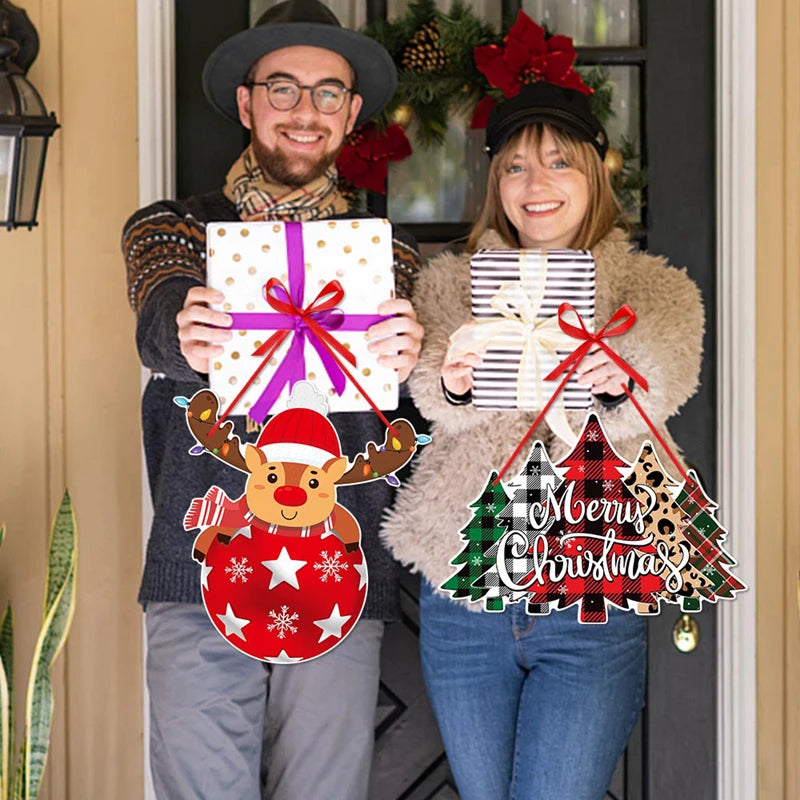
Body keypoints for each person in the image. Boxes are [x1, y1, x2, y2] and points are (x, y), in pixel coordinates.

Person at [121, 2, 423, 798]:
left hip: (340, 571)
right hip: (199, 562)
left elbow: (416, 402)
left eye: (328, 93)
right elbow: (160, 315)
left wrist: (413, 359)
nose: (304, 111)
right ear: (247, 103)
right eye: (282, 89)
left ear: (351, 114)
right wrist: (182, 333)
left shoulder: (390, 255)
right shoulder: (173, 232)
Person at [381, 80, 704, 799]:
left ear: (594, 175)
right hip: (465, 593)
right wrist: (455, 382)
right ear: (496, 182)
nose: (537, 185)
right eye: (517, 167)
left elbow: (662, 379)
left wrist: (616, 383)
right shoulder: (452, 284)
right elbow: (433, 395)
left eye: (560, 163)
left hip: (592, 591)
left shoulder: (653, 288)